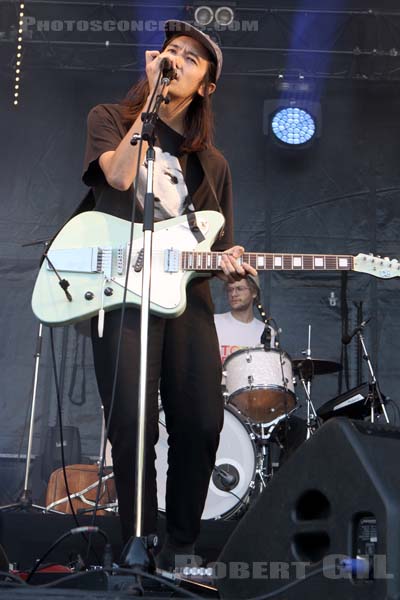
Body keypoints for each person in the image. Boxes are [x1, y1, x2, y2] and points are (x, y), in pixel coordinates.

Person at [82, 20, 256, 570]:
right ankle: (138, 543)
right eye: (172, 51)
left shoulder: (214, 164)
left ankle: (180, 546)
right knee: (131, 423)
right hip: (124, 292)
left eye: (192, 58)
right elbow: (114, 177)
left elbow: (219, 247)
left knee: (202, 422)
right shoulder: (111, 119)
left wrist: (233, 268)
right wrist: (148, 107)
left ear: (207, 85)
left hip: (187, 302)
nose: (177, 59)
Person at [214, 274, 276, 363]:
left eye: (239, 289)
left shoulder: (266, 331)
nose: (233, 294)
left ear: (254, 292)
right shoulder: (214, 322)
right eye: (230, 290)